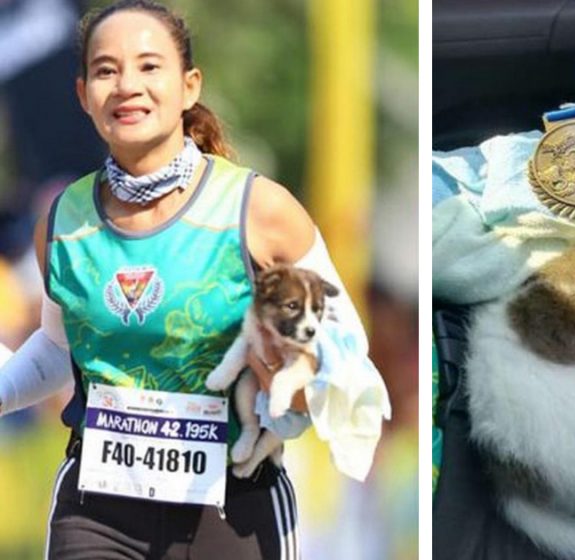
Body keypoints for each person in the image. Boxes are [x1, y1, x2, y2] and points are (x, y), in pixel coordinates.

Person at [0, 1, 389, 558]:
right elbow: (60, 351)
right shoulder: (61, 222)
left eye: (149, 66)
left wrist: (290, 386)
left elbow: (346, 352)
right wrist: (6, 388)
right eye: (107, 70)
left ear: (189, 86)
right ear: (84, 95)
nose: (127, 85)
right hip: (97, 511)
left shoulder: (260, 209)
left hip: (236, 511)